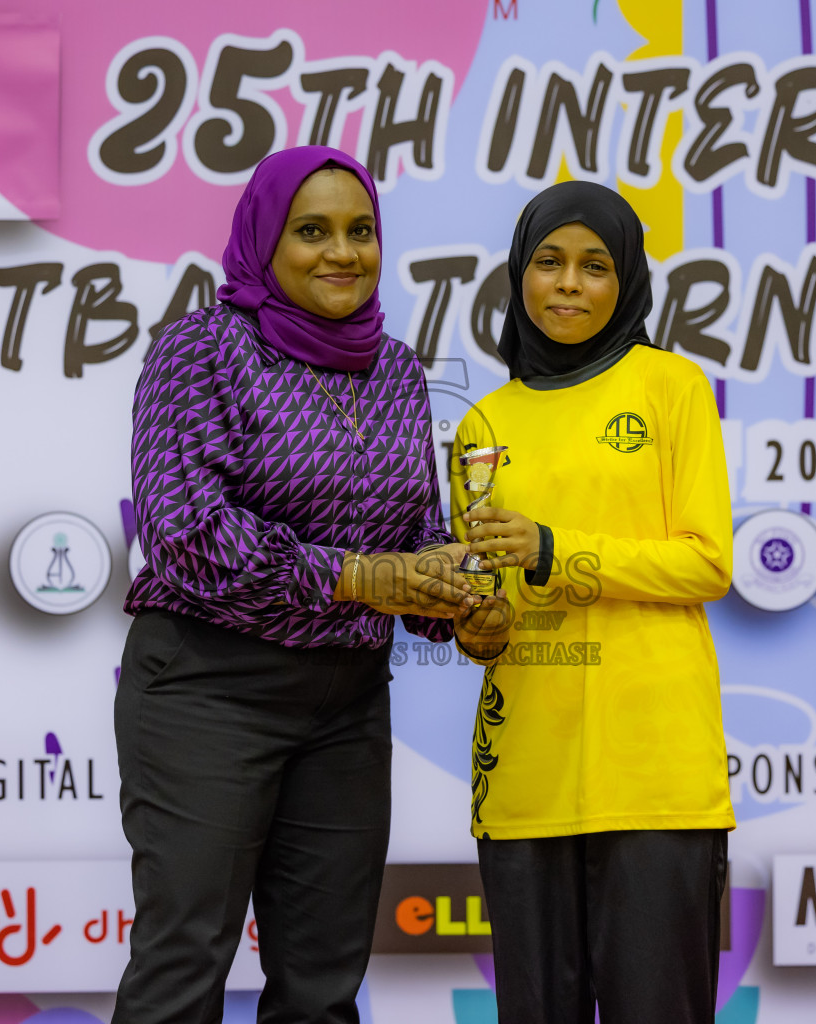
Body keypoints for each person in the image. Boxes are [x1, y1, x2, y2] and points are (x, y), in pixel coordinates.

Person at [115, 145, 503, 1024]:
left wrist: (458, 599)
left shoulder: (398, 371)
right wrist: (364, 577)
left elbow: (407, 540)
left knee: (325, 989)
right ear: (264, 241)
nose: (343, 253)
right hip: (209, 690)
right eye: (312, 231)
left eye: (360, 231)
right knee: (184, 967)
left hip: (346, 706)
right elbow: (186, 536)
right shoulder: (201, 350)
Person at [451, 180, 735, 1023]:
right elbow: (486, 611)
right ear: (518, 275)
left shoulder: (670, 387)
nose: (567, 284)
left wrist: (554, 549)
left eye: (594, 266)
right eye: (547, 262)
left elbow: (706, 563)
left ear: (628, 283)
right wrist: (469, 616)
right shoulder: (481, 424)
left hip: (655, 773)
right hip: (526, 777)